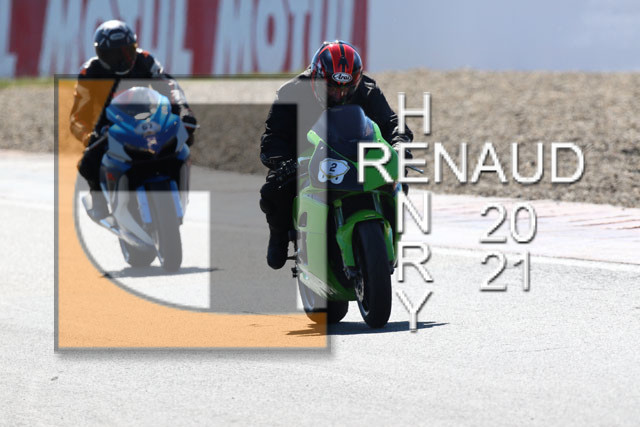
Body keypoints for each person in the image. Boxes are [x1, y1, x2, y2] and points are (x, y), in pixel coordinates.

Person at [259, 40, 414, 270]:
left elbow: (391, 123)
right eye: (331, 88)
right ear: (316, 80)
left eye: (347, 88)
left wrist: (399, 146)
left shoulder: (368, 90)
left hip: (354, 155)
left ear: (356, 81)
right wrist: (282, 162)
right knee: (274, 189)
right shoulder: (291, 92)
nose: (339, 94)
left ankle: (389, 234)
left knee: (397, 176)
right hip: (307, 157)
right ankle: (279, 235)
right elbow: (274, 136)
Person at [70, 20, 197, 220]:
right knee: (87, 162)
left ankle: (179, 185)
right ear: (101, 54)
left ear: (134, 47)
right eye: (113, 55)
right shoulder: (90, 72)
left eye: (126, 52)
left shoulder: (145, 60)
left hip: (149, 119)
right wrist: (89, 135)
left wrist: (183, 111)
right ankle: (99, 198)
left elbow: (169, 86)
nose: (121, 60)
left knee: (185, 136)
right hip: (109, 126)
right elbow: (77, 116)